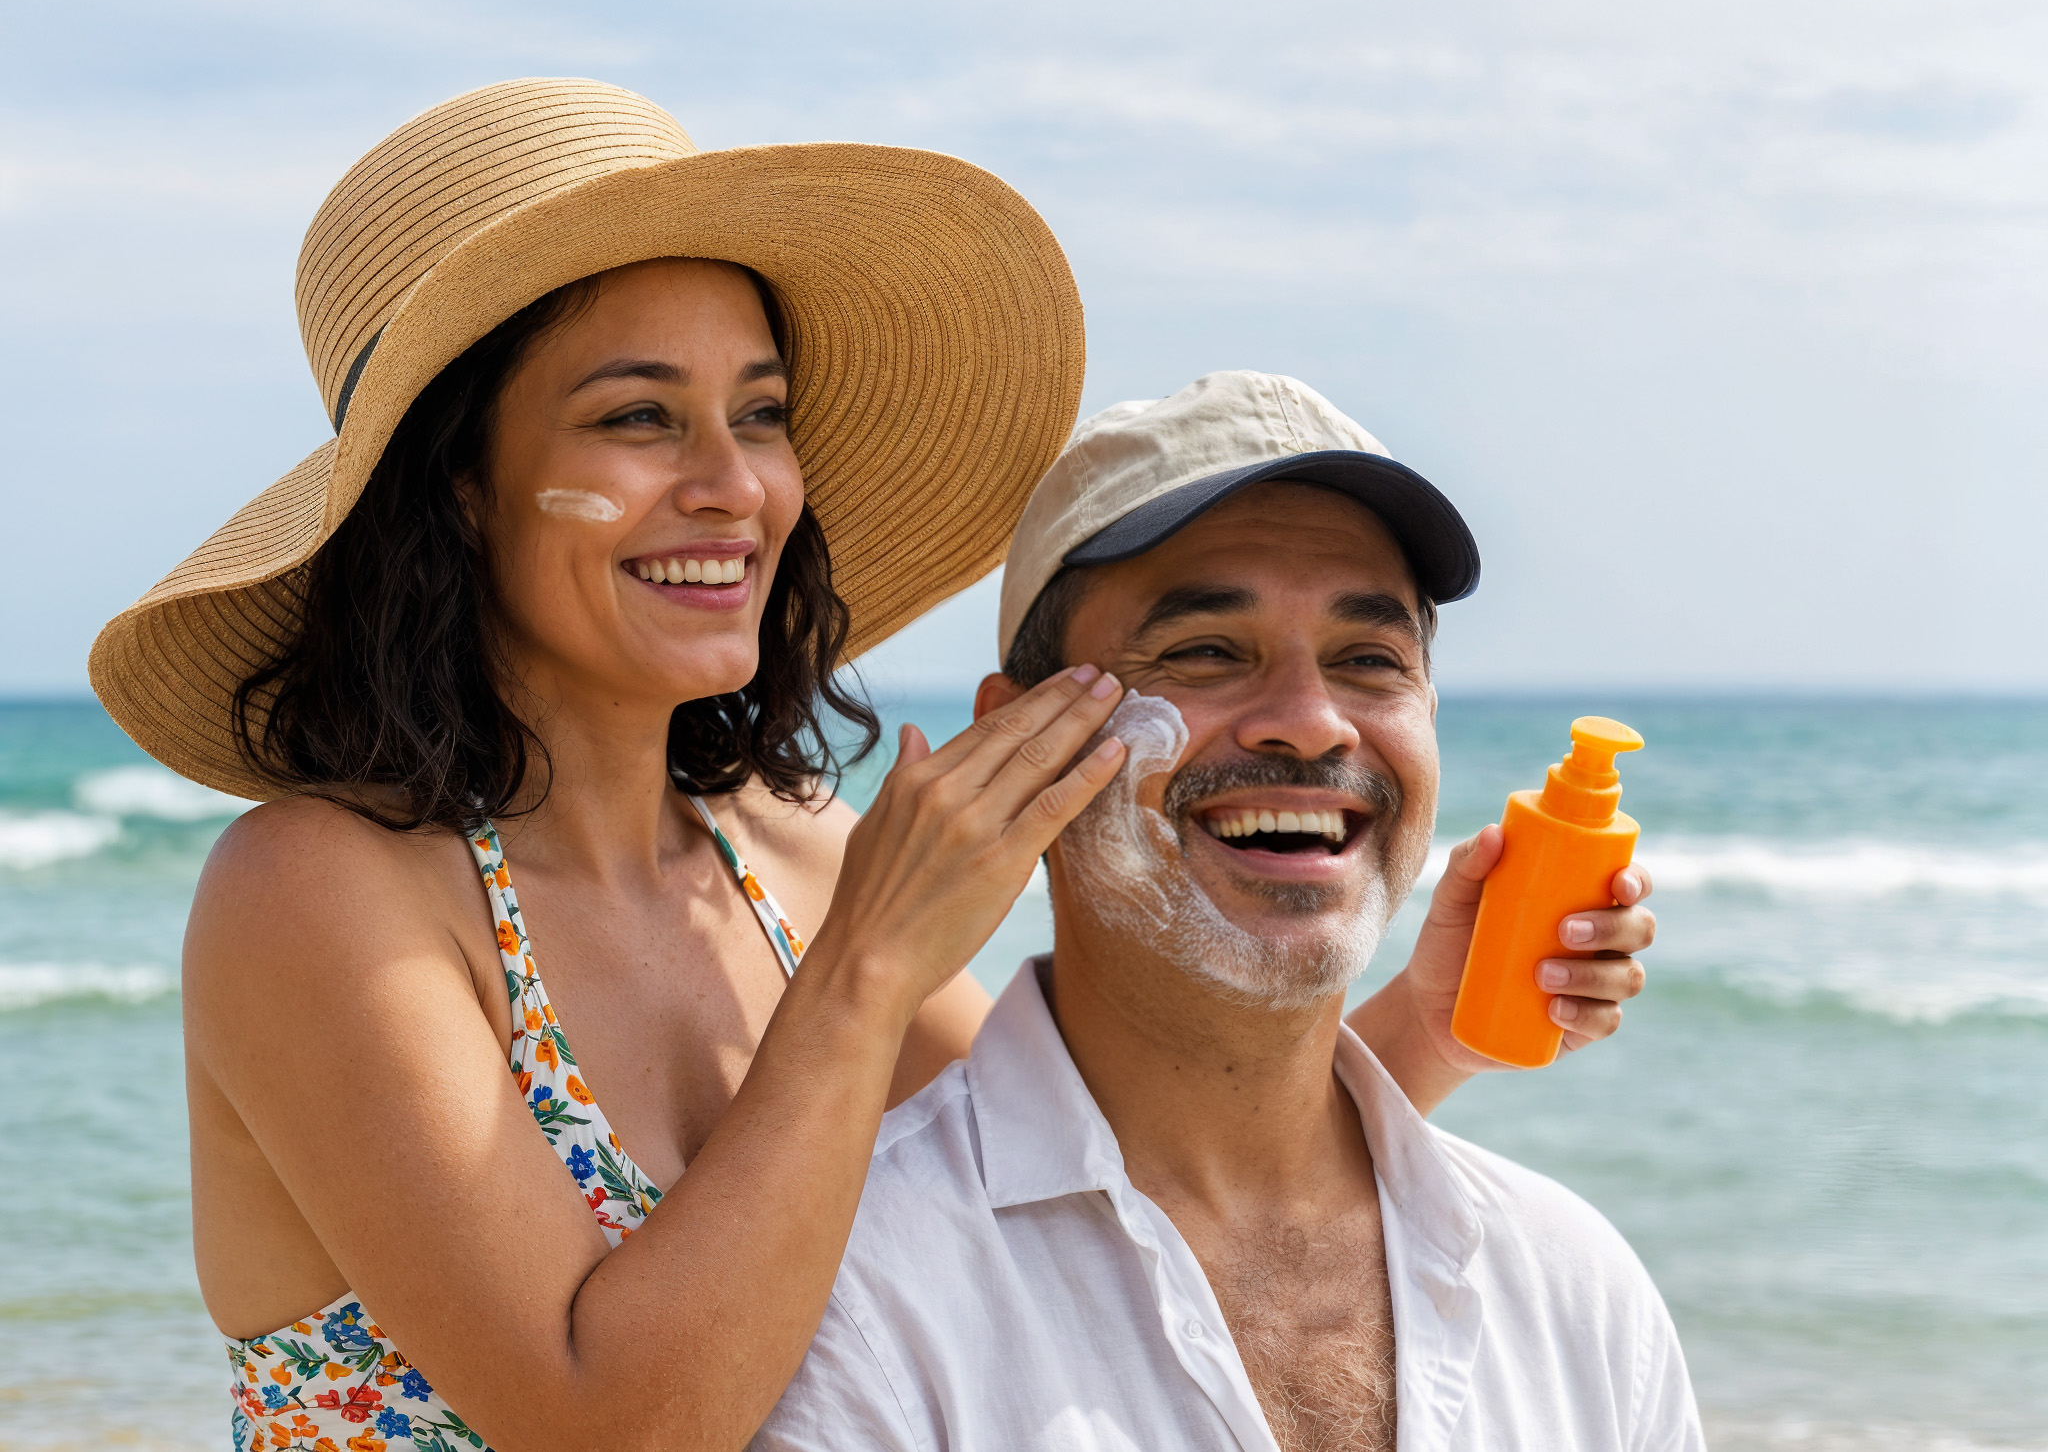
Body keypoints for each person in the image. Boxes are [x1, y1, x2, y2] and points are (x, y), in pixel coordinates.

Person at [89, 75, 1648, 1452]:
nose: (734, 486)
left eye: (759, 416)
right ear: (461, 496)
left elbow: (1085, 1199)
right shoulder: (323, 890)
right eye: (641, 418)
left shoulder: (786, 853)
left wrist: (1417, 1036)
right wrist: (874, 961)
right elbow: (607, 1423)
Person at [757, 371, 1696, 1452]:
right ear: (1017, 739)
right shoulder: (860, 1304)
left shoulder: (1578, 1297)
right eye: (1206, 651)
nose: (1309, 723)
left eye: (1368, 661)